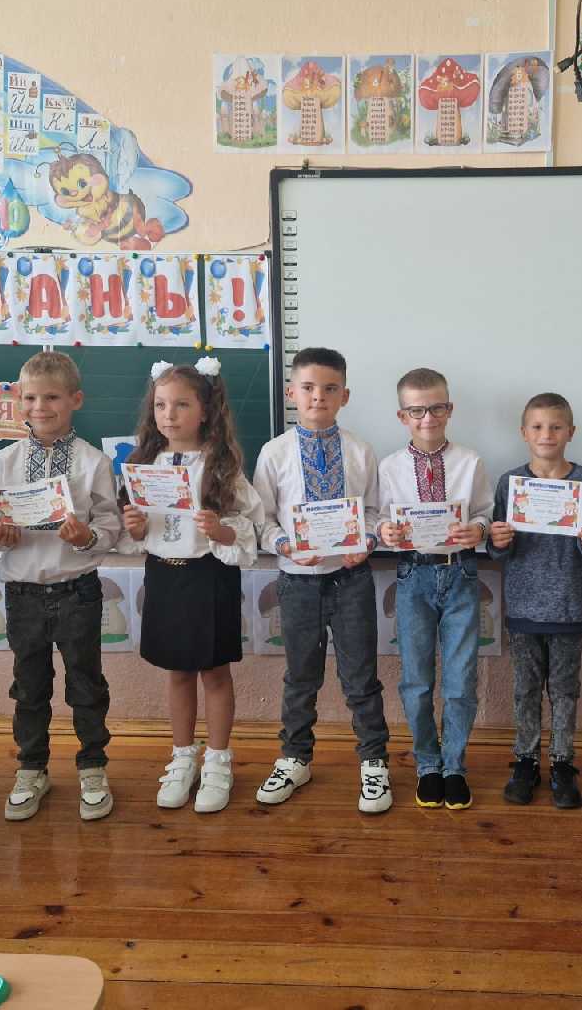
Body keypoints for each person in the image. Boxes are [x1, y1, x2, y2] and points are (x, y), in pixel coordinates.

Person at [0, 351, 122, 823]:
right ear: (19, 401)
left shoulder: (93, 462)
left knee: (86, 684)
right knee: (29, 687)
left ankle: (93, 765)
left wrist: (87, 537)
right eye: (31, 398)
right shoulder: (3, 461)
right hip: (23, 592)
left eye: (52, 398)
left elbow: (110, 524)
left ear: (75, 400)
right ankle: (31, 767)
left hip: (76, 589)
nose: (40, 407)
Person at [251, 347, 391, 814]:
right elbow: (262, 520)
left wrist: (367, 540)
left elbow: (374, 511)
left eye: (330, 388)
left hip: (351, 579)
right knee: (300, 677)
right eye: (308, 387)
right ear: (291, 392)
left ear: (344, 396)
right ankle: (295, 758)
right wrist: (285, 545)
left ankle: (373, 761)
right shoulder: (274, 453)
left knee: (361, 677)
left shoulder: (360, 450)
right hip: (297, 582)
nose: (318, 397)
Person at [121, 358, 262, 815]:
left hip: (209, 576)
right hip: (164, 576)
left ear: (205, 410)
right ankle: (183, 757)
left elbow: (248, 529)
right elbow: (139, 532)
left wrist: (221, 530)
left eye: (181, 404)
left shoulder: (221, 467)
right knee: (177, 671)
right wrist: (135, 527)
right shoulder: (143, 463)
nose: (169, 414)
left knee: (214, 673)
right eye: (161, 405)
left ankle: (218, 761)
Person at [376, 368, 492, 810]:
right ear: (402, 416)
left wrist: (478, 530)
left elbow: (484, 512)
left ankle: (454, 766)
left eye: (437, 408)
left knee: (460, 680)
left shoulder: (471, 461)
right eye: (417, 410)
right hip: (413, 577)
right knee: (417, 681)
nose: (428, 418)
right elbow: (378, 517)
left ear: (450, 409)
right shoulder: (389, 466)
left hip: (461, 573)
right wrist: (385, 530)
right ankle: (428, 764)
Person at [487, 392, 582, 809]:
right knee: (525, 690)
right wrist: (498, 541)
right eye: (537, 427)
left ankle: (562, 763)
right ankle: (525, 761)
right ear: (523, 433)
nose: (547, 434)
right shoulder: (510, 483)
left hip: (569, 606)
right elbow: (498, 552)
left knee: (565, 690)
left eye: (556, 427)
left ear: (571, 432)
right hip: (523, 606)